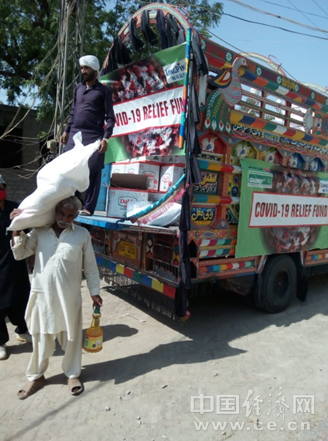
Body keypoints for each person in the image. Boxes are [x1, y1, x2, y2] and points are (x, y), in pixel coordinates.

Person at [10, 195, 103, 399]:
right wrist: (17, 228)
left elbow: (90, 266)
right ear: (55, 210)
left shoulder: (81, 235)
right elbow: (20, 253)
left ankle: (72, 374)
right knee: (41, 339)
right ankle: (36, 376)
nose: (64, 218)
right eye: (61, 213)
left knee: (71, 338)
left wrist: (94, 292)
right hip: (43, 298)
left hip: (69, 298)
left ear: (76, 216)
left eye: (70, 215)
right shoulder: (40, 232)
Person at [60, 55, 116, 216]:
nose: (83, 71)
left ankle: (88, 207)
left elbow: (110, 118)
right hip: (75, 134)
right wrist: (66, 130)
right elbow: (72, 112)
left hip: (94, 136)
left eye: (86, 68)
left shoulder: (103, 91)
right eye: (82, 68)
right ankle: (72, 203)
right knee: (71, 169)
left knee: (93, 169)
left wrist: (105, 138)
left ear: (95, 70)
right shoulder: (78, 88)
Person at [0, 174, 31, 360]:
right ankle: (1, 342)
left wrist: (18, 222)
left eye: (0, 186)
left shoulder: (15, 207)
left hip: (16, 263)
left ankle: (23, 330)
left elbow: (28, 231)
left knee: (22, 299)